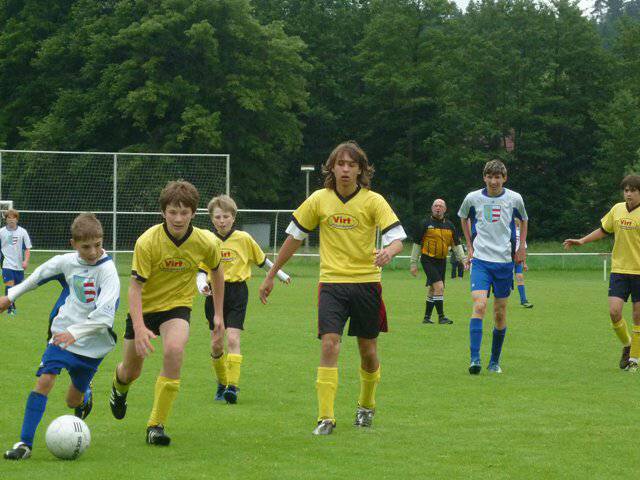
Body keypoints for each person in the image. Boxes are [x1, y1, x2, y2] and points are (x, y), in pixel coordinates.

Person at [259, 140, 406, 435]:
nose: (346, 169)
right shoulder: (318, 200)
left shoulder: (374, 201)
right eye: (341, 164)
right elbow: (294, 238)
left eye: (352, 164)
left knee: (368, 351)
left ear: (361, 169)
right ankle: (325, 417)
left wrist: (389, 252)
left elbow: (397, 238)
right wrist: (271, 274)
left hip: (367, 284)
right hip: (332, 284)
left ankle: (366, 406)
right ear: (332, 168)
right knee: (329, 344)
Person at [109, 180, 225, 446]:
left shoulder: (206, 241)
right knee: (131, 371)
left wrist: (218, 314)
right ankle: (119, 387)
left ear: (194, 213)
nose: (178, 218)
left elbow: (217, 272)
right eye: (173, 212)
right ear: (163, 212)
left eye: (184, 212)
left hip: (177, 307)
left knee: (174, 350)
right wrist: (139, 327)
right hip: (144, 309)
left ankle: (156, 425)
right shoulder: (147, 241)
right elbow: (135, 288)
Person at [3, 213, 120, 460]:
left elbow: (104, 318)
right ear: (73, 244)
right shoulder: (66, 262)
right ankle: (24, 444)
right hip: (61, 335)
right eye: (85, 247)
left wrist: (74, 333)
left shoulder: (108, 271)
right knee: (45, 380)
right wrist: (10, 297)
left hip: (92, 344)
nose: (93, 252)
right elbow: (37, 277)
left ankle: (85, 393)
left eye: (97, 245)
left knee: (72, 401)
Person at [196, 194, 290, 404]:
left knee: (232, 339)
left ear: (234, 217)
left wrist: (280, 275)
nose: (222, 221)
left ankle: (233, 387)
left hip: (237, 292)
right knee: (216, 344)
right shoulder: (207, 241)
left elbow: (262, 260)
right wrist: (202, 285)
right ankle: (222, 384)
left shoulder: (244, 239)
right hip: (214, 294)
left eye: (226, 216)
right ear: (211, 219)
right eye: (218, 217)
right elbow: (201, 271)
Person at [458, 159, 528, 375]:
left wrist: (521, 247)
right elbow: (463, 217)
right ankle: (474, 359)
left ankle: (494, 361)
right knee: (479, 305)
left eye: (497, 177)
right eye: (490, 177)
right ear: (484, 178)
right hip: (481, 261)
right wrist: (469, 246)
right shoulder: (473, 198)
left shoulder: (514, 198)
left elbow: (524, 219)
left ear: (504, 178)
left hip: (504, 263)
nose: (493, 181)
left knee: (499, 313)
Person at [564, 174, 640, 371]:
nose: (628, 194)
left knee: (638, 317)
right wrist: (582, 240)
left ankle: (634, 360)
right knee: (614, 312)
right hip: (619, 270)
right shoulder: (617, 209)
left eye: (633, 190)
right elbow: (603, 230)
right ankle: (628, 345)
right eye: (626, 190)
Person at [410, 199, 465, 325]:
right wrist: (413, 263)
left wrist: (463, 259)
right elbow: (417, 244)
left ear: (445, 209)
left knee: (433, 288)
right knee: (439, 287)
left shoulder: (450, 225)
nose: (438, 208)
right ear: (432, 208)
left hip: (442, 260)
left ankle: (427, 318)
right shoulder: (425, 224)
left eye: (440, 206)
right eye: (435, 206)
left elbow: (456, 244)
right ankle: (441, 317)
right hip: (428, 260)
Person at [0, 208, 32, 314]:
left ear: (17, 219)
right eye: (9, 218)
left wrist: (26, 261)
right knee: (10, 284)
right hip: (6, 263)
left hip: (19, 265)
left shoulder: (23, 232)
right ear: (6, 219)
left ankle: (8, 304)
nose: (11, 220)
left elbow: (27, 248)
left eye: (13, 218)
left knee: (16, 288)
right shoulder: (1, 232)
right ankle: (10, 308)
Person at [514, 219, 533, 308]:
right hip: (507, 260)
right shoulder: (506, 233)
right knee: (505, 280)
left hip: (518, 260)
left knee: (520, 278)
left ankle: (523, 300)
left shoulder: (521, 235)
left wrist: (524, 263)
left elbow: (523, 249)